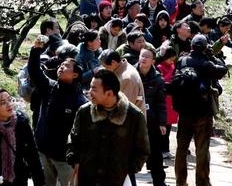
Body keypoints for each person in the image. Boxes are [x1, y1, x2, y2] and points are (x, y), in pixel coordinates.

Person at [66, 69, 150, 186]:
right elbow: (73, 139)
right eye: (90, 87)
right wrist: (74, 159)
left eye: (94, 89)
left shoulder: (133, 116)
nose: (89, 92)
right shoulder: (84, 112)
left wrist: (127, 169)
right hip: (87, 179)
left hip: (117, 180)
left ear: (109, 93)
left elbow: (143, 149)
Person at [28, 38, 88, 186]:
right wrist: (35, 50)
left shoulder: (80, 102)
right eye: (61, 65)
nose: (61, 67)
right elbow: (34, 72)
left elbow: (82, 135)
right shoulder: (49, 87)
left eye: (66, 66)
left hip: (64, 159)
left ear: (75, 75)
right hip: (43, 151)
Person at [173, 36, 228, 186]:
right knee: (202, 149)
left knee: (181, 149)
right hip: (203, 112)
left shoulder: (182, 61)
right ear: (204, 47)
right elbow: (222, 70)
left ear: (191, 46)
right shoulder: (207, 63)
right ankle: (202, 181)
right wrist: (213, 56)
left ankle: (180, 181)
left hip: (184, 112)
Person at [136, 48, 167, 186]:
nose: (144, 59)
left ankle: (159, 181)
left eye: (147, 57)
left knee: (155, 152)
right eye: (142, 56)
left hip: (151, 120)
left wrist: (162, 122)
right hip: (132, 119)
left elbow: (161, 102)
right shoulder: (130, 74)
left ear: (153, 61)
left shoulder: (157, 78)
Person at [99, 48, 146, 115]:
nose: (105, 70)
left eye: (106, 67)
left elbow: (124, 108)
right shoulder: (120, 69)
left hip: (131, 121)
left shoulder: (127, 78)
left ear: (113, 62)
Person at [156, 46, 178, 159]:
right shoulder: (159, 67)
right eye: (170, 59)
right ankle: (161, 149)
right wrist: (172, 72)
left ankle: (166, 149)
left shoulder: (172, 66)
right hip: (164, 99)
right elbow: (162, 81)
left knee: (168, 127)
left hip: (171, 99)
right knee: (162, 126)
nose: (172, 61)